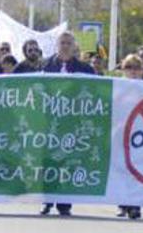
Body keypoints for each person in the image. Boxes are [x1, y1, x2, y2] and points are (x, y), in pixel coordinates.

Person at [40, 32, 95, 217]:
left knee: (69, 162)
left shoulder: (85, 69)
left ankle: (64, 203)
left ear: (74, 46)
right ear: (57, 45)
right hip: (48, 121)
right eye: (62, 43)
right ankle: (47, 200)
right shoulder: (45, 65)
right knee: (49, 161)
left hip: (73, 123)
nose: (65, 46)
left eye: (68, 43)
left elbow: (93, 92)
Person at [116, 54, 143, 220]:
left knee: (137, 169)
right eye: (129, 67)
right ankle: (122, 203)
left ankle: (135, 205)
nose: (133, 71)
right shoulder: (117, 86)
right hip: (120, 133)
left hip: (140, 134)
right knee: (121, 168)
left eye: (136, 68)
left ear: (142, 70)